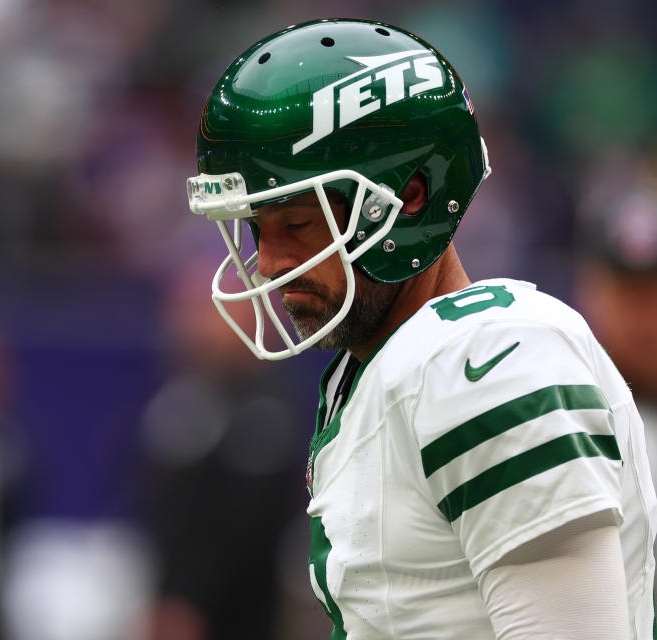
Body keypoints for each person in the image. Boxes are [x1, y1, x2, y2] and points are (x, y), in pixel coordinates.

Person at [184, 18, 657, 640]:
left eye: (297, 223)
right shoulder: (384, 369)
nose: (270, 264)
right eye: (257, 228)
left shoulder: (487, 362)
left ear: (410, 198)